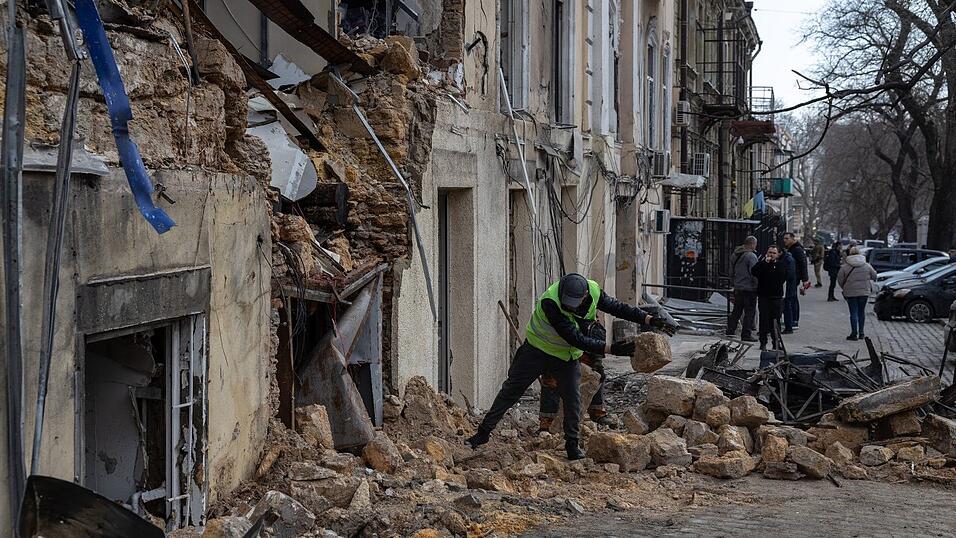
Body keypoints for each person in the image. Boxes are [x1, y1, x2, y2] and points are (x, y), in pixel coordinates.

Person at [466, 273, 673, 460]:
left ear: (585, 295)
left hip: (564, 357)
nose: (570, 307)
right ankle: (482, 433)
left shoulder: (592, 289)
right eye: (567, 302)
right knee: (511, 391)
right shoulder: (551, 302)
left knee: (573, 400)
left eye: (574, 303)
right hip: (536, 350)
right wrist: (612, 349)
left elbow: (617, 307)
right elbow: (575, 338)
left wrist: (650, 319)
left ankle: (572, 446)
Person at [539, 321, 610, 429]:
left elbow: (596, 341)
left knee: (596, 375)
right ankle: (548, 419)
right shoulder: (556, 319)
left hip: (581, 346)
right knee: (551, 377)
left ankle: (597, 411)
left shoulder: (593, 326)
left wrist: (597, 361)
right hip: (558, 349)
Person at [751, 245, 789, 351]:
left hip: (776, 297)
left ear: (777, 255)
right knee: (764, 320)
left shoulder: (781, 265)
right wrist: (765, 263)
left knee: (775, 321)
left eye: (773, 253)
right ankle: (763, 342)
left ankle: (776, 342)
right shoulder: (763, 264)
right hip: (764, 297)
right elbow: (754, 271)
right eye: (770, 252)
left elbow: (783, 277)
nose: (771, 255)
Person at [837, 246, 878, 341]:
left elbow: (840, 279)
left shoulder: (845, 267)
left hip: (850, 293)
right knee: (861, 312)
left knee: (853, 313)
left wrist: (845, 287)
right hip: (864, 292)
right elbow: (874, 276)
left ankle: (854, 333)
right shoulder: (867, 265)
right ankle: (862, 333)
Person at [726, 236, 759, 342]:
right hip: (749, 289)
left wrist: (734, 283)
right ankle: (746, 334)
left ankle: (730, 330)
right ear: (753, 244)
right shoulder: (751, 256)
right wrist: (757, 286)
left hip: (738, 287)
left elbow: (731, 272)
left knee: (736, 310)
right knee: (749, 312)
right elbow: (755, 273)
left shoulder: (735, 254)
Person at [782, 232, 810, 329]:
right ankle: (793, 320)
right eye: (784, 238)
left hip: (795, 277)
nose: (784, 240)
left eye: (787, 238)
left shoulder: (797, 249)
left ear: (792, 239)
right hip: (793, 276)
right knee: (792, 298)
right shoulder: (791, 248)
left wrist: (805, 280)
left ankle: (794, 320)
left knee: (792, 299)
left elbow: (803, 264)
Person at [781, 245, 798, 334]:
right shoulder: (787, 259)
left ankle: (789, 326)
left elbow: (790, 274)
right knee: (785, 307)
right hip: (786, 287)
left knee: (786, 306)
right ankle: (788, 326)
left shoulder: (788, 260)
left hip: (787, 287)